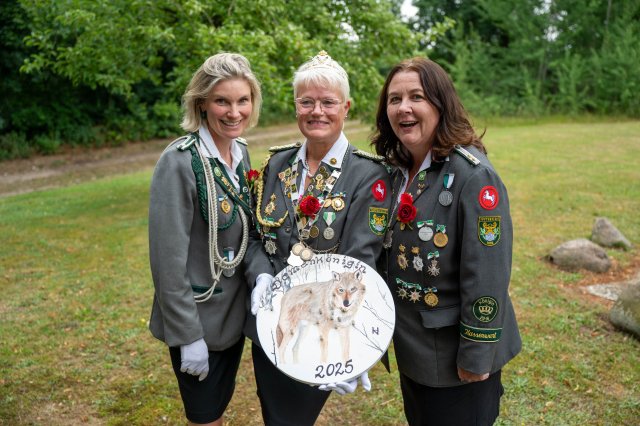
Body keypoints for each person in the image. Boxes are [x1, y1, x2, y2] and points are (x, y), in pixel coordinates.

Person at [244, 50, 392, 426]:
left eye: (328, 102)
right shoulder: (277, 164)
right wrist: (261, 275)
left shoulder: (367, 174)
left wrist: (356, 346)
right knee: (275, 413)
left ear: (346, 107)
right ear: (296, 106)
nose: (317, 112)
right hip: (273, 318)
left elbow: (360, 262)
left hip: (324, 316)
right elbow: (259, 237)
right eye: (306, 102)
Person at [371, 57, 522, 425]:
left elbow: (487, 275)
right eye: (394, 99)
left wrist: (477, 354)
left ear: (441, 104)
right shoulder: (395, 172)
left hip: (457, 360)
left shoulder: (473, 176)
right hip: (415, 350)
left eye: (416, 97)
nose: (403, 108)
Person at [148, 53, 262, 426]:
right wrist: (187, 336)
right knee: (205, 417)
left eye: (242, 100)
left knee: (217, 408)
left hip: (232, 318)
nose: (234, 112)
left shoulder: (240, 152)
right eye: (222, 101)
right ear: (201, 104)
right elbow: (167, 262)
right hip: (197, 321)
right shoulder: (179, 161)